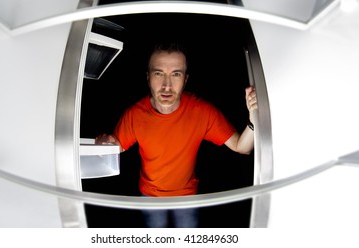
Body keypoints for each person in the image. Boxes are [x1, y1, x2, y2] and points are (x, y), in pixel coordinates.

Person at [95, 42, 258, 228]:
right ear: (148, 78)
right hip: (150, 196)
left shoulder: (202, 112)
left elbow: (242, 147)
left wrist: (253, 116)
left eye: (176, 74)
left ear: (185, 79)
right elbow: (114, 147)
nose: (167, 85)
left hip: (187, 197)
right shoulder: (135, 115)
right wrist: (102, 145)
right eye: (158, 74)